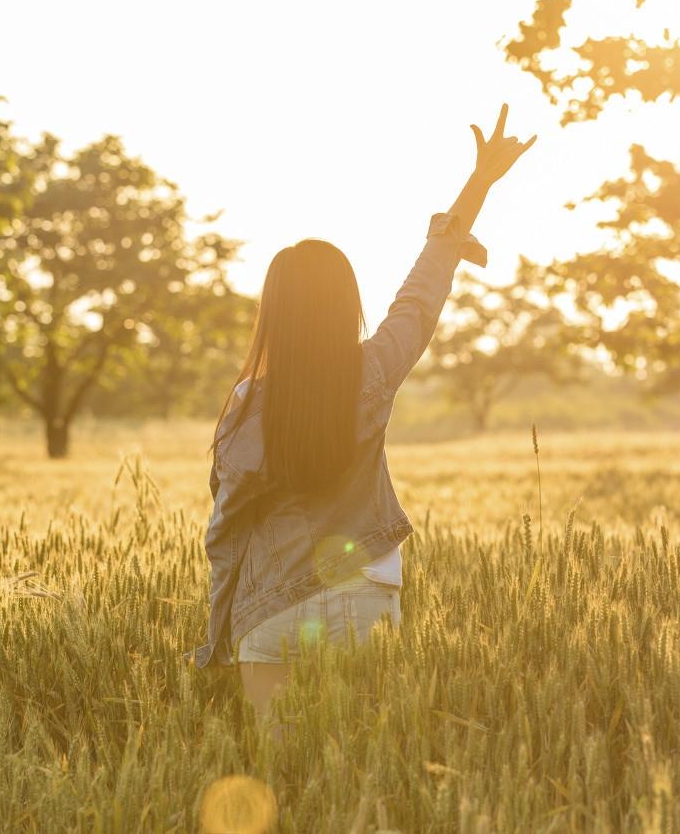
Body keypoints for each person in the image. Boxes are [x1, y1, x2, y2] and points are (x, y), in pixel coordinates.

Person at [191, 104, 536, 741]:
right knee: (362, 771)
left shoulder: (247, 403)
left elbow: (226, 530)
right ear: (350, 304)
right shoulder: (373, 372)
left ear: (274, 313)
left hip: (269, 608)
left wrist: (219, 630)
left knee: (286, 772)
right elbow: (421, 295)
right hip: (365, 599)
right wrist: (478, 184)